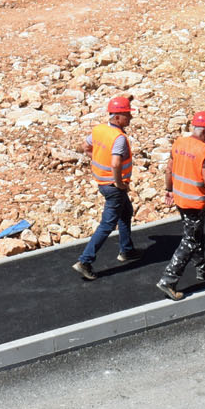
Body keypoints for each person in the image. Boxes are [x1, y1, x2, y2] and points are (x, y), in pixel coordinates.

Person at [156, 111, 205, 300]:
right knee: (190, 240)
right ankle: (168, 280)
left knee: (195, 234)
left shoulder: (179, 143)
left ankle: (204, 268)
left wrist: (168, 189)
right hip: (196, 203)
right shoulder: (204, 151)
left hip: (181, 200)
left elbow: (169, 169)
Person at [73, 94, 137, 280]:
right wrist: (119, 183)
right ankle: (85, 261)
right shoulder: (119, 138)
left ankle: (127, 250)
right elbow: (116, 164)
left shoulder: (99, 130)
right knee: (107, 224)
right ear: (117, 117)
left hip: (102, 181)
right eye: (127, 114)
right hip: (113, 186)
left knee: (126, 212)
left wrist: (99, 157)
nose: (130, 117)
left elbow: (86, 146)